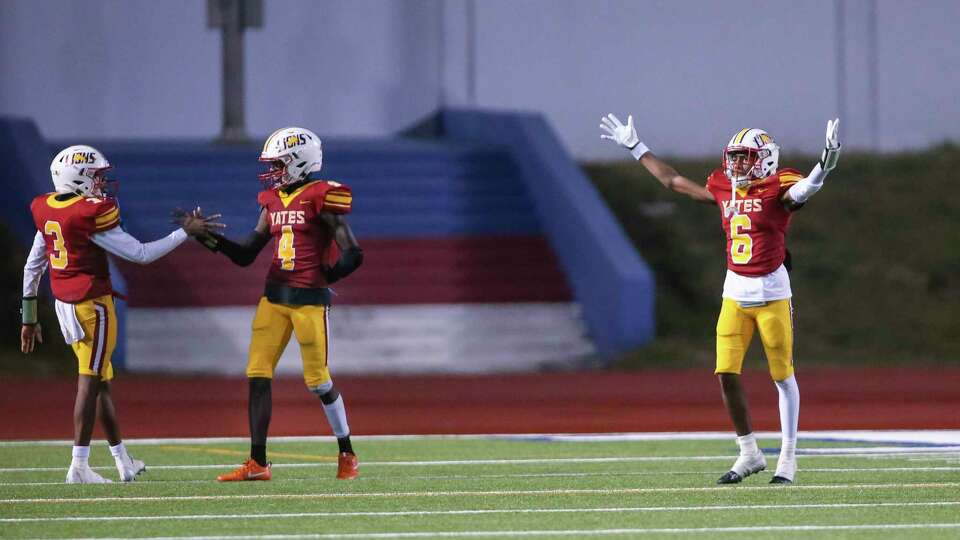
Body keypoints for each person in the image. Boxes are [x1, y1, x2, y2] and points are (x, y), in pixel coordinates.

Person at [600, 114, 841, 484]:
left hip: (773, 292)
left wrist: (825, 163)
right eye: (735, 157)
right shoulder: (723, 185)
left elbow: (803, 191)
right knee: (725, 373)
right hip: (735, 292)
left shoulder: (778, 186)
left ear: (764, 159)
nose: (737, 164)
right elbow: (673, 181)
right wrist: (637, 148)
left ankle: (788, 458)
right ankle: (749, 453)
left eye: (745, 157)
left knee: (782, 375)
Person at [21, 144, 220, 484]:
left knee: (101, 384)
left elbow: (33, 265)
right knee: (89, 382)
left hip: (64, 306)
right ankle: (79, 467)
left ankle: (122, 460)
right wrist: (184, 233)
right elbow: (141, 254)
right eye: (95, 177)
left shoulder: (47, 208)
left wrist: (28, 316)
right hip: (92, 307)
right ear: (78, 178)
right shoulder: (89, 214)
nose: (101, 183)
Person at [196, 127, 364, 482]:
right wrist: (207, 238)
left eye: (279, 163)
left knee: (318, 381)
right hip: (273, 297)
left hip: (308, 302)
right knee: (257, 375)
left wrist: (326, 278)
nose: (273, 170)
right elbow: (245, 255)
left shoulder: (321, 195)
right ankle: (258, 463)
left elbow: (354, 252)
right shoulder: (271, 201)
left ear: (300, 161)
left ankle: (347, 451)